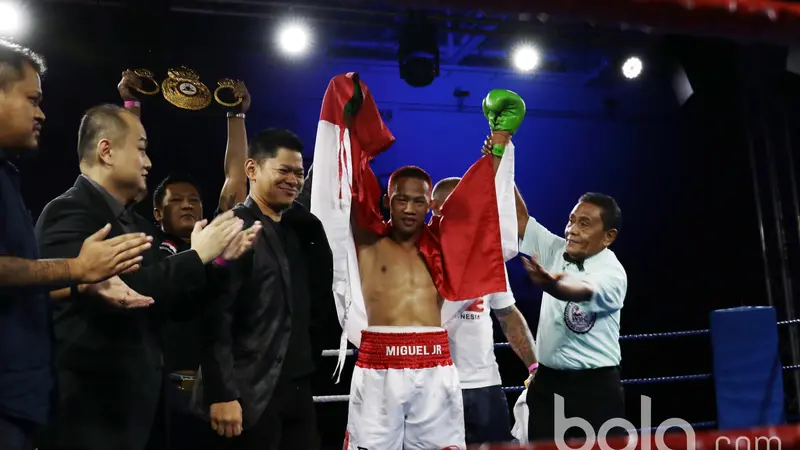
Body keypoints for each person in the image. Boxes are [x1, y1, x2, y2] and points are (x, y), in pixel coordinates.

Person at [34, 104, 261, 450]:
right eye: (140, 149)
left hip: (144, 415)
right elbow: (124, 293)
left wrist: (218, 264)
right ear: (106, 151)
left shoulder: (137, 225)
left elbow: (173, 305)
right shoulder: (68, 211)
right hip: (91, 416)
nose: (148, 162)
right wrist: (197, 255)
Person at [0, 39, 153, 450]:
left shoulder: (8, 176)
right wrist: (75, 269)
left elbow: (19, 287)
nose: (41, 113)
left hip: (22, 402)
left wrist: (80, 284)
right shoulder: (70, 209)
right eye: (32, 99)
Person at [119, 71, 251, 450]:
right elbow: (129, 169)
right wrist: (131, 105)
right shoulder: (143, 239)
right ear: (157, 213)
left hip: (212, 379)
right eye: (176, 200)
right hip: (161, 378)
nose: (189, 204)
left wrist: (235, 114)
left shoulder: (213, 238)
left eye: (194, 198)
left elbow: (235, 181)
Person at [192, 128, 336, 450]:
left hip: (298, 387)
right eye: (283, 170)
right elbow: (214, 316)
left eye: (299, 173)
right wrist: (222, 393)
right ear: (252, 170)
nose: (293, 180)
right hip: (248, 392)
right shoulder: (231, 227)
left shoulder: (303, 227)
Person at [508, 153, 627, 441]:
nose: (572, 230)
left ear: (608, 236)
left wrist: (552, 285)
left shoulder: (612, 272)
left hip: (594, 389)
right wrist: (500, 157)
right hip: (548, 385)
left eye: (584, 224)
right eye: (571, 220)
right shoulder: (556, 250)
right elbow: (520, 219)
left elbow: (583, 290)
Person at [433, 177, 539, 445]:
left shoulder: (487, 257)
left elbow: (508, 315)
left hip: (484, 384)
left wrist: (535, 365)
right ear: (435, 209)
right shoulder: (422, 254)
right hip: (435, 384)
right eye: (453, 209)